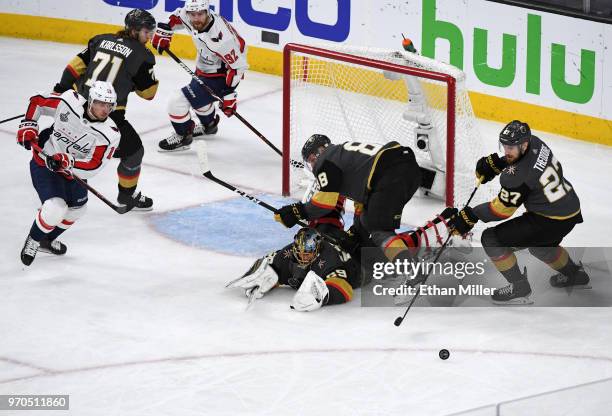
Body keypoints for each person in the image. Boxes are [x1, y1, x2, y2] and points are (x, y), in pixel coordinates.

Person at [448, 120, 589, 304]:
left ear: (523, 144)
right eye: (504, 145)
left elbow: (501, 211)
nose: (507, 151)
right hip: (569, 209)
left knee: (491, 239)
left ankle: (519, 287)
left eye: (511, 147)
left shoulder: (517, 177)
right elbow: (523, 163)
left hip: (548, 220)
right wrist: (499, 163)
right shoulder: (536, 142)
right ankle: (574, 274)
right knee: (542, 247)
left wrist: (472, 215)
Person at [53, 8, 158, 211]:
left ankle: (59, 186)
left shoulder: (100, 40)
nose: (149, 37)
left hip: (77, 106)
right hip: (107, 114)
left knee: (65, 142)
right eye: (146, 32)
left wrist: (60, 91)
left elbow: (73, 69)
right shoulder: (142, 55)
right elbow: (148, 94)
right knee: (134, 152)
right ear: (134, 30)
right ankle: (127, 196)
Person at [16, 82, 121, 266]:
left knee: (78, 210)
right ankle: (33, 239)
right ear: (90, 101)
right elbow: (38, 101)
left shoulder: (109, 134)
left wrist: (69, 162)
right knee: (55, 208)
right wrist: (29, 124)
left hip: (73, 172)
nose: (105, 109)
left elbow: (94, 165)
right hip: (45, 162)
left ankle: (45, 240)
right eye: (100, 103)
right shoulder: (69, 101)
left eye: (109, 105)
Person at [274, 134, 422, 262]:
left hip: (389, 173)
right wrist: (357, 232)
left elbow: (325, 204)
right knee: (371, 222)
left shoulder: (325, 161)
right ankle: (396, 255)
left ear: (314, 155)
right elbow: (363, 205)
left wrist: (296, 211)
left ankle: (412, 272)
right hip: (408, 168)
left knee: (380, 231)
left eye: (310, 160)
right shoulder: (343, 155)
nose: (312, 164)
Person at [153, 0, 248, 152]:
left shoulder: (221, 39)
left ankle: (183, 137)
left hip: (220, 76)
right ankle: (208, 125)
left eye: (200, 14)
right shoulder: (188, 15)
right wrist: (164, 32)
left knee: (177, 101)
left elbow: (238, 67)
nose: (196, 18)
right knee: (199, 99)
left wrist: (229, 94)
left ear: (207, 12)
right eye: (193, 14)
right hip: (204, 67)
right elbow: (175, 17)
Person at [227, 227, 362, 312]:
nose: (303, 256)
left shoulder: (329, 258)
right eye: (300, 251)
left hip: (359, 266)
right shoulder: (287, 253)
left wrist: (324, 297)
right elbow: (269, 265)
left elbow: (345, 288)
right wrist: (264, 278)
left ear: (317, 250)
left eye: (308, 253)